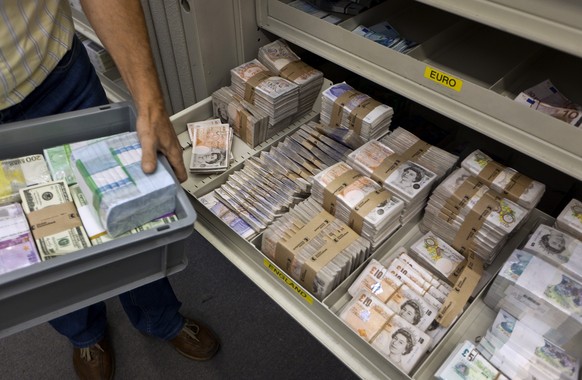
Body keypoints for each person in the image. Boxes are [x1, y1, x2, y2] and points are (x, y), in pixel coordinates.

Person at [0, 1, 219, 379]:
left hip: (54, 75)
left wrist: (150, 103)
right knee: (35, 258)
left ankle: (160, 319)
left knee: (137, 222)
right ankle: (85, 335)